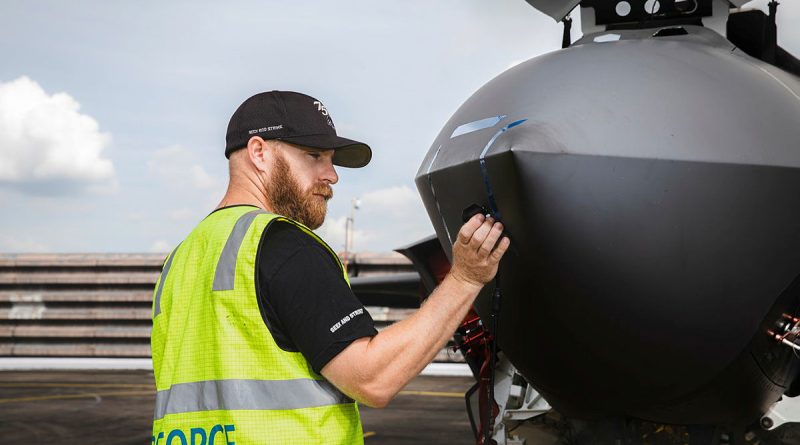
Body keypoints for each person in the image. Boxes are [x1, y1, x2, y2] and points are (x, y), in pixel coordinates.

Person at [150, 91, 510, 445]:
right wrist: (465, 278)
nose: (332, 175)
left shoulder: (179, 261)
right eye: (314, 155)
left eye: (331, 159)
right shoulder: (281, 244)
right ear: (259, 152)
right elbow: (373, 379)